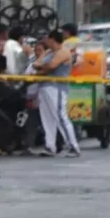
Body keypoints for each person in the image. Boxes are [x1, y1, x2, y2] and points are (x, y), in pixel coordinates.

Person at [32, 30, 80, 158]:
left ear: (53, 39)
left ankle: (73, 146)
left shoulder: (63, 52)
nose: (45, 41)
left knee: (60, 116)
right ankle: (50, 146)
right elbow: (36, 64)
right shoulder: (49, 52)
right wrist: (42, 68)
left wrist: (41, 69)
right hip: (44, 86)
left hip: (57, 87)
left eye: (47, 38)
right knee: (47, 118)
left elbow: (52, 66)